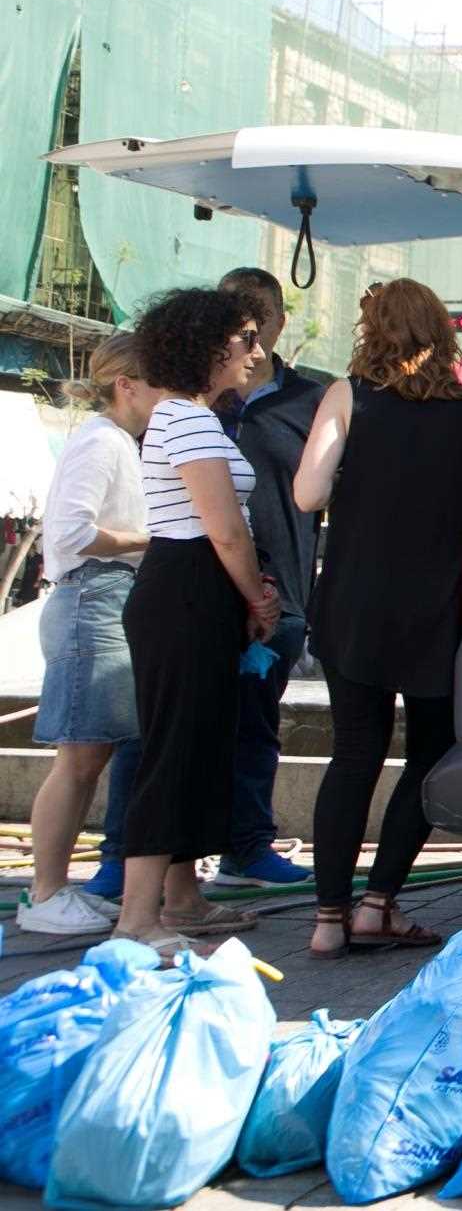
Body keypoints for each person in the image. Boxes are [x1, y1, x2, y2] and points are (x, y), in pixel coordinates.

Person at [298, 279, 462, 957]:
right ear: (441, 331)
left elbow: (306, 491)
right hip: (436, 606)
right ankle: (379, 903)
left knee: (353, 753)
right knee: (429, 752)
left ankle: (327, 921)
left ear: (372, 330)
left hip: (353, 602)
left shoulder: (348, 396)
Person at [115, 288, 280, 954]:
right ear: (208, 346)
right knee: (174, 748)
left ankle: (181, 899)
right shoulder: (186, 419)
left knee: (198, 743)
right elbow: (225, 532)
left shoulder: (193, 419)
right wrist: (259, 598)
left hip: (193, 589)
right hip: (185, 587)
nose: (256, 351)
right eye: (245, 338)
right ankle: (136, 917)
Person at [16, 337, 160, 935]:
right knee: (78, 757)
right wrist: (148, 539)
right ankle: (45, 894)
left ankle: (52, 891)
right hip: (91, 598)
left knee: (90, 753)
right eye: (158, 382)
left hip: (104, 599)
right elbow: (73, 531)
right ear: (127, 384)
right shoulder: (100, 440)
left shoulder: (116, 441)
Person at [210, 267, 321, 888]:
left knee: (256, 727)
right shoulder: (194, 399)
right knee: (174, 728)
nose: (252, 340)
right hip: (205, 590)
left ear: (281, 322)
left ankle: (246, 847)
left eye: (262, 322)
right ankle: (147, 857)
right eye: (238, 323)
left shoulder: (311, 400)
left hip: (286, 592)